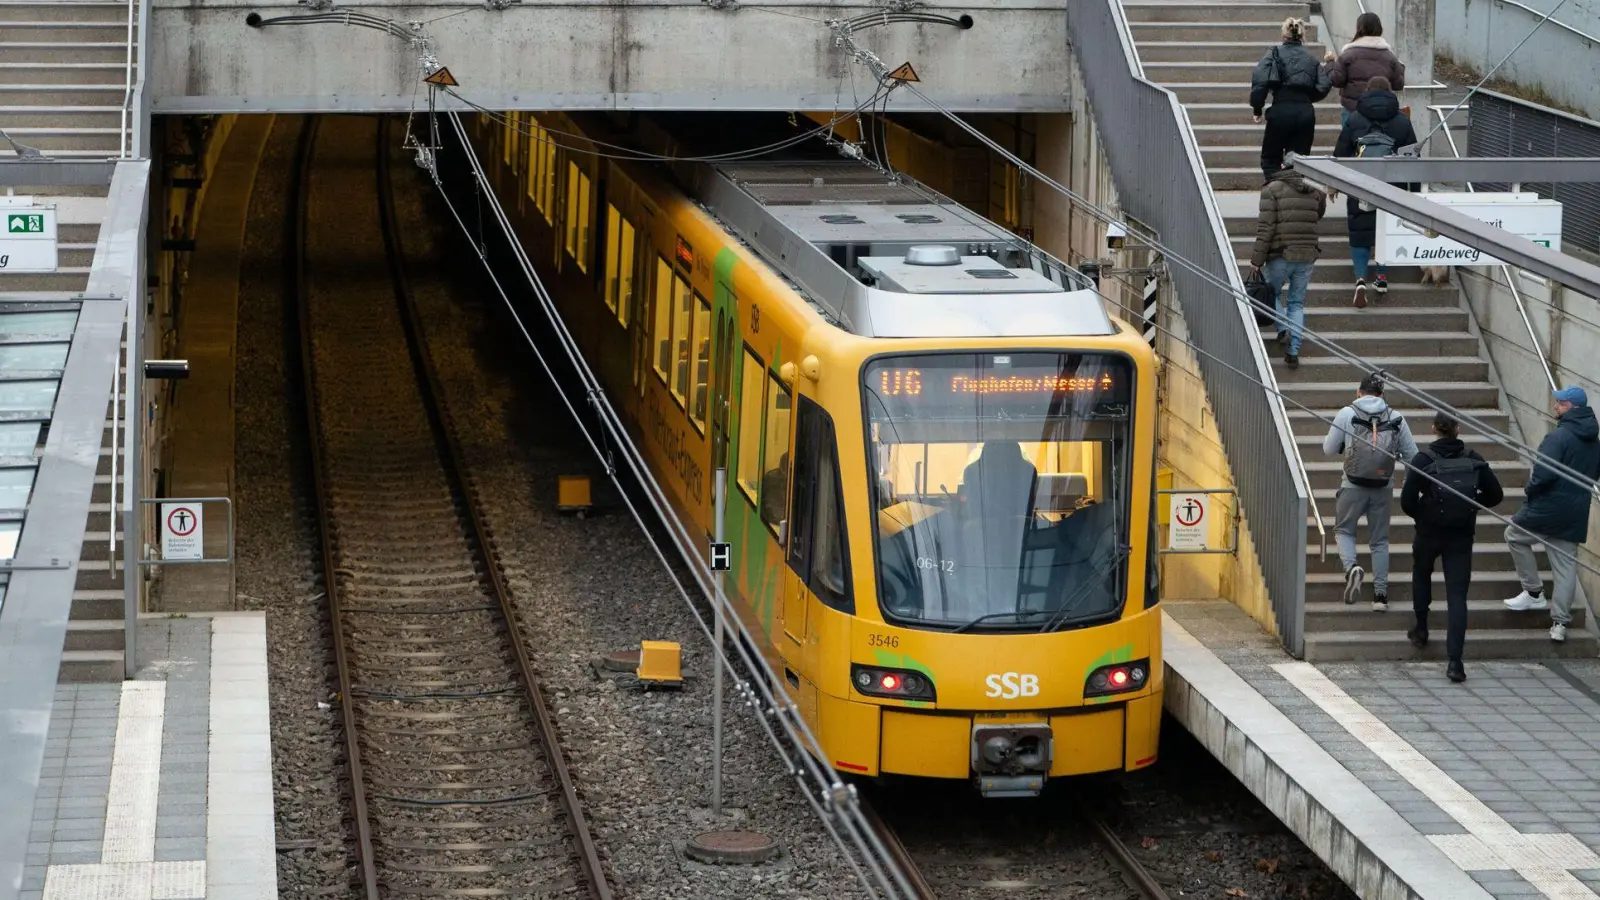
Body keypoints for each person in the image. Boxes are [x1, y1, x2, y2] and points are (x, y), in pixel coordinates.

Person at [1399, 412, 1503, 683]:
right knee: (1458, 597)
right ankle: (1455, 663)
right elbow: (1496, 495)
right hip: (1461, 536)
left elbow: (1407, 501)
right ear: (1458, 429)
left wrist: (1424, 515)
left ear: (1434, 429)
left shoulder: (1423, 460)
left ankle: (1421, 629)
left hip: (1428, 533)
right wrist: (1470, 505)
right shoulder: (1474, 459)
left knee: (1421, 575)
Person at [1503, 386, 1600, 642]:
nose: (1555, 407)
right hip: (1575, 510)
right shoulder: (1594, 439)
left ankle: (1534, 592)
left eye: (1560, 403)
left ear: (1571, 407)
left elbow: (1543, 474)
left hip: (1546, 507)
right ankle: (1559, 624)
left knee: (1513, 535)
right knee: (1566, 566)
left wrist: (1530, 491)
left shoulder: (1559, 437)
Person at [1323, 373, 1419, 611]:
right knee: (1380, 542)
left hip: (1352, 485)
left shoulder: (1347, 414)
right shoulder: (1396, 418)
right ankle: (1380, 596)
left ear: (1359, 392)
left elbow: (1328, 449)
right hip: (1382, 487)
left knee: (1344, 530)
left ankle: (1352, 568)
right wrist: (1408, 484)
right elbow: (1413, 457)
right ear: (1382, 396)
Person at [1331, 76, 1418, 309]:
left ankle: (1360, 278)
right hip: (1392, 187)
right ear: (1390, 94)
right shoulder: (1402, 121)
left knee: (1360, 230)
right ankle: (1381, 275)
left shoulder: (1355, 118)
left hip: (1360, 184)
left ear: (1367, 92)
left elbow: (1340, 154)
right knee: (1385, 230)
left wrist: (1335, 185)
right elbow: (1413, 160)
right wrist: (1415, 192)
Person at [1248, 161, 1327, 368]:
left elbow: (1266, 226)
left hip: (1280, 253)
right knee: (1297, 303)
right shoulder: (1316, 189)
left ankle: (1282, 327)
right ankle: (1293, 351)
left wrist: (1257, 260)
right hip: (1307, 253)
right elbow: (1318, 214)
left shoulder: (1272, 188)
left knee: (1270, 292)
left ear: (1282, 166)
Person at [1249, 17, 1333, 178]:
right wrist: (1307, 98)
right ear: (1302, 37)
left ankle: (1275, 190)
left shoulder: (1273, 54)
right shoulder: (1311, 58)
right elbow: (1324, 85)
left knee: (1270, 158)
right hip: (1305, 112)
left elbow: (1260, 80)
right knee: (1299, 160)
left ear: (1284, 35)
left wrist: (1257, 108)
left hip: (1281, 109)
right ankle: (1295, 193)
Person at [1325, 12, 1407, 126]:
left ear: (1358, 29)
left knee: (1352, 143)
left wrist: (1330, 63)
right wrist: (1400, 67)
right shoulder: (1390, 57)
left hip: (1353, 111)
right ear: (1380, 29)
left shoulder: (1348, 55)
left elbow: (1336, 80)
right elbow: (1398, 84)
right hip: (1382, 113)